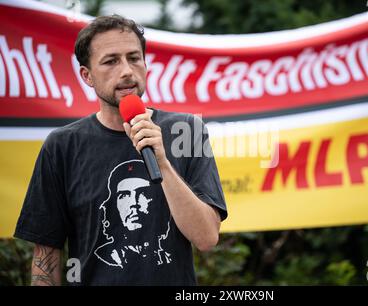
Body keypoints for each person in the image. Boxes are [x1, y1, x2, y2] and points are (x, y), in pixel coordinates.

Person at [14, 15, 227, 286]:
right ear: (87, 76)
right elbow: (46, 255)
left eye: (134, 58)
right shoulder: (62, 146)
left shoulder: (187, 130)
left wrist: (161, 162)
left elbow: (207, 237)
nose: (126, 70)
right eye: (111, 61)